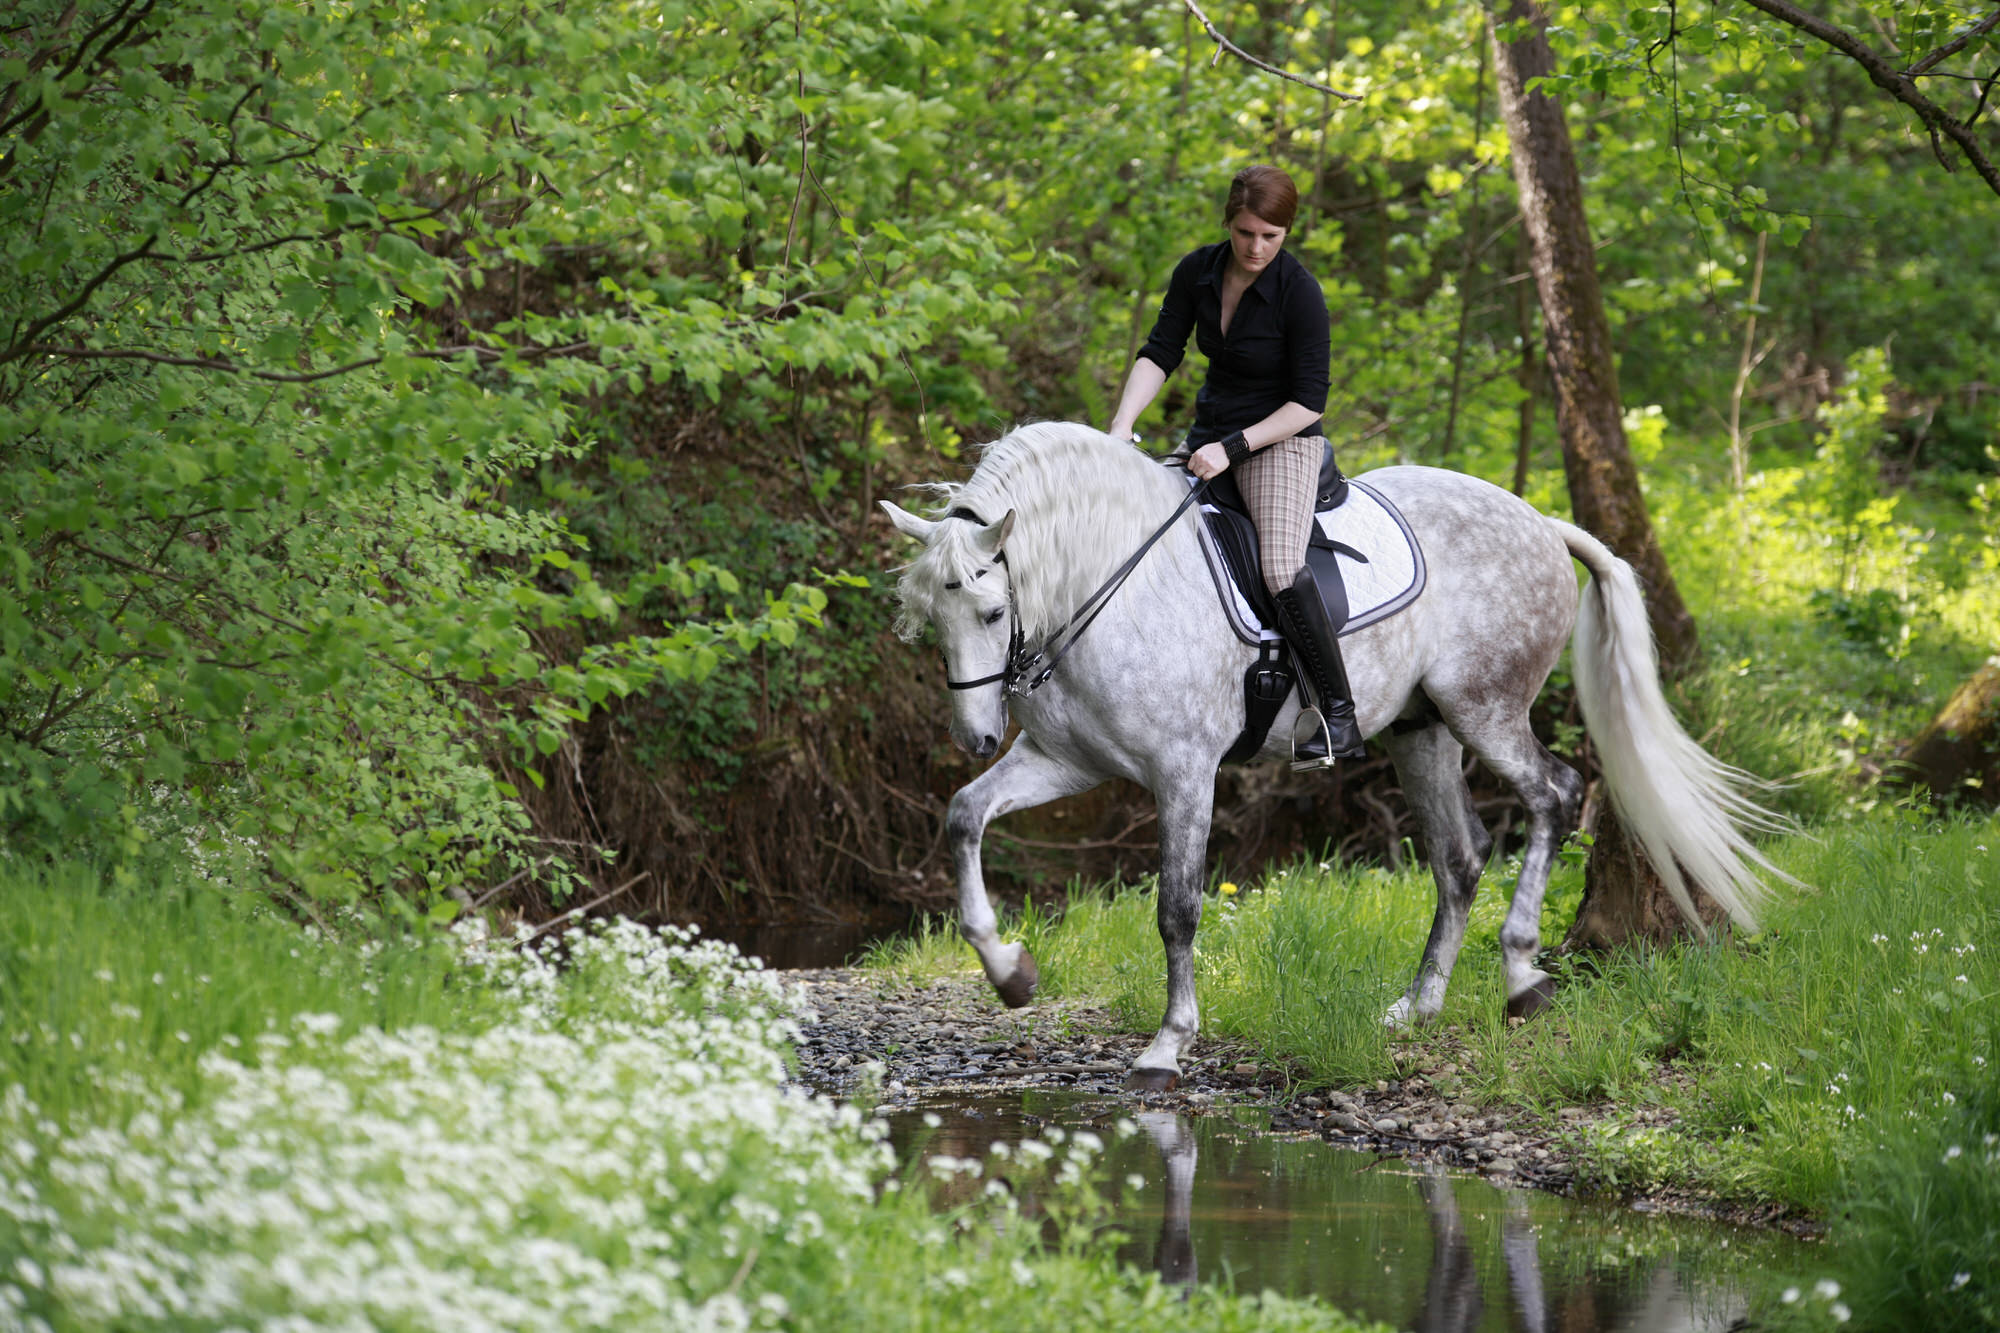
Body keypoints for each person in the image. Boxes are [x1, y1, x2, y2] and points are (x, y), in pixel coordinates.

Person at [1106, 163, 1365, 768]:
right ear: (1229, 223)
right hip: (1209, 434)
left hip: (1280, 440)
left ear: (1286, 234)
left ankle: (1338, 717)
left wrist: (1234, 448)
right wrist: (1121, 427)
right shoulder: (1196, 271)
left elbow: (1308, 403)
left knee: (1278, 566)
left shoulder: (1300, 293)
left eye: (1270, 237)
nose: (1255, 247)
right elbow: (1160, 351)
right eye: (1246, 232)